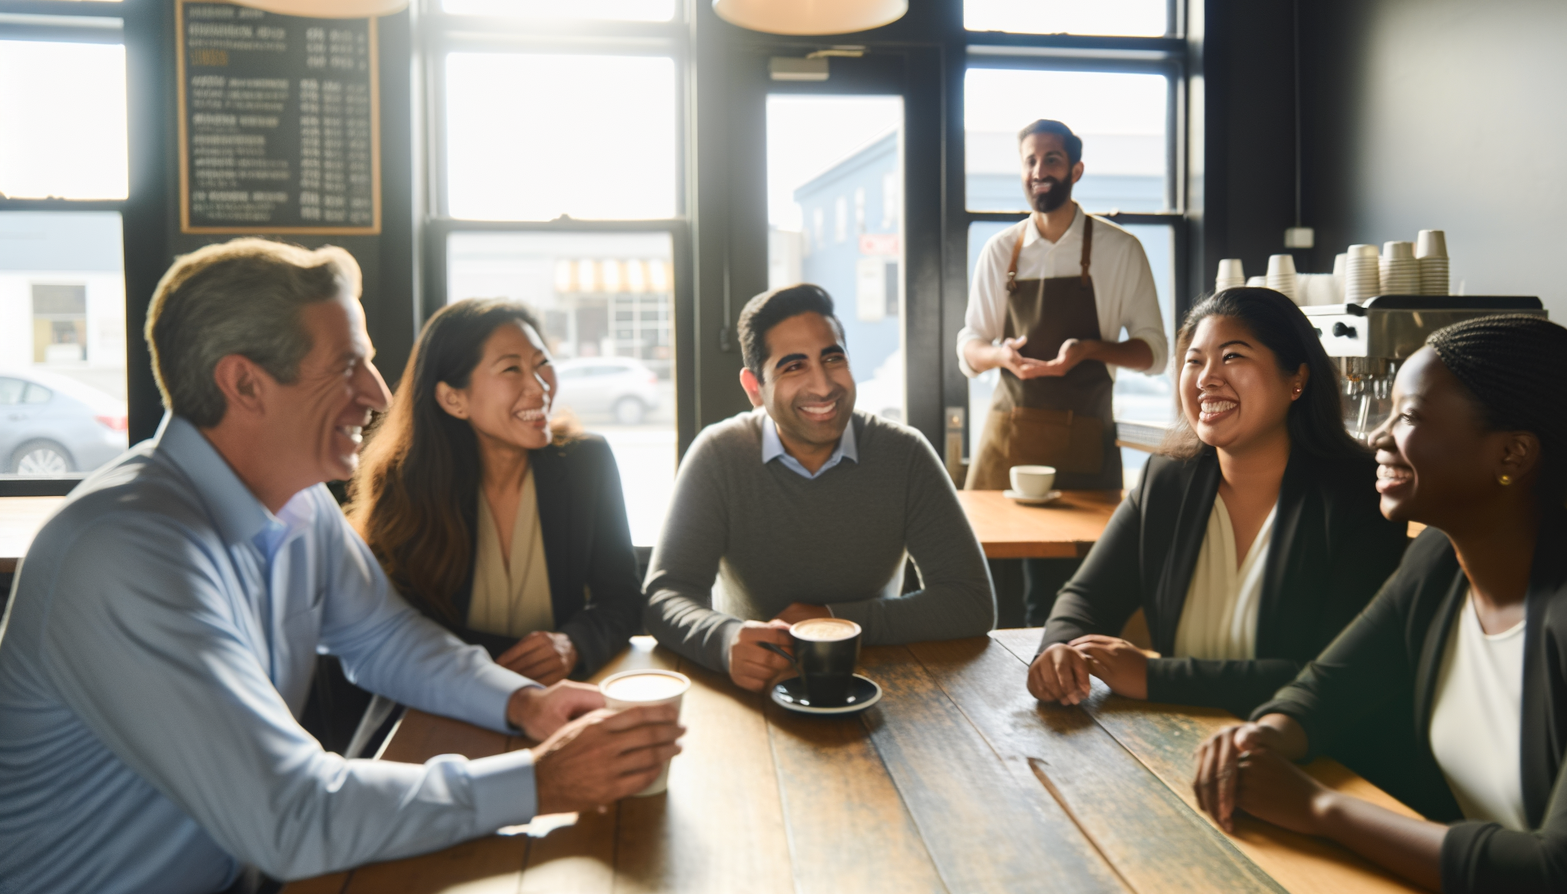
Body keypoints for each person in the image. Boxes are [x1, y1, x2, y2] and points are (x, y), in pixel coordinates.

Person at [0, 240, 683, 893]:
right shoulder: (124, 551)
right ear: (245, 384)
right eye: (348, 365)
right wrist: (542, 782)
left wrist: (524, 703)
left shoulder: (297, 499)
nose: (381, 394)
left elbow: (382, 637)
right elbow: (289, 815)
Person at [1191, 316, 1567, 893]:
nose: (1378, 435)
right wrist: (1261, 738)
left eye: (1411, 416)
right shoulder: (1438, 562)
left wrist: (1320, 809)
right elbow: (1325, 689)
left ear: (1513, 455)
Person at [1027, 287, 1407, 717]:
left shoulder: (1360, 493)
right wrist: (1060, 650)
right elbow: (1086, 598)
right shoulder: (1167, 481)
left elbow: (1341, 675)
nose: (1207, 377)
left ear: (1296, 378)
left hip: (1308, 758)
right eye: (1194, 361)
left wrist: (1154, 678)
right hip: (1180, 741)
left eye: (1232, 357)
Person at [645, 283, 995, 692]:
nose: (824, 385)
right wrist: (722, 640)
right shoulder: (718, 455)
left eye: (833, 359)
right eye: (793, 366)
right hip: (753, 686)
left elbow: (969, 602)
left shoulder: (905, 453)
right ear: (754, 388)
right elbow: (665, 596)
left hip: (876, 681)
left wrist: (833, 619)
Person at [348, 299, 643, 691]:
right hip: (445, 700)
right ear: (454, 399)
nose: (539, 387)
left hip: (562, 695)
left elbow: (621, 598)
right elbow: (399, 630)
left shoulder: (586, 462)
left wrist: (573, 644)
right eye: (511, 369)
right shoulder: (404, 484)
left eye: (542, 364)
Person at [957, 118, 1167, 626]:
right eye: (1029, 161)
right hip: (1010, 447)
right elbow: (969, 347)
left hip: (1083, 446)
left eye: (1051, 159)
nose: (1038, 171)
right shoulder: (999, 252)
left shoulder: (1120, 250)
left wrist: (1091, 350)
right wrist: (1002, 356)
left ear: (1076, 169)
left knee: (1069, 597)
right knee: (994, 594)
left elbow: (1155, 353)